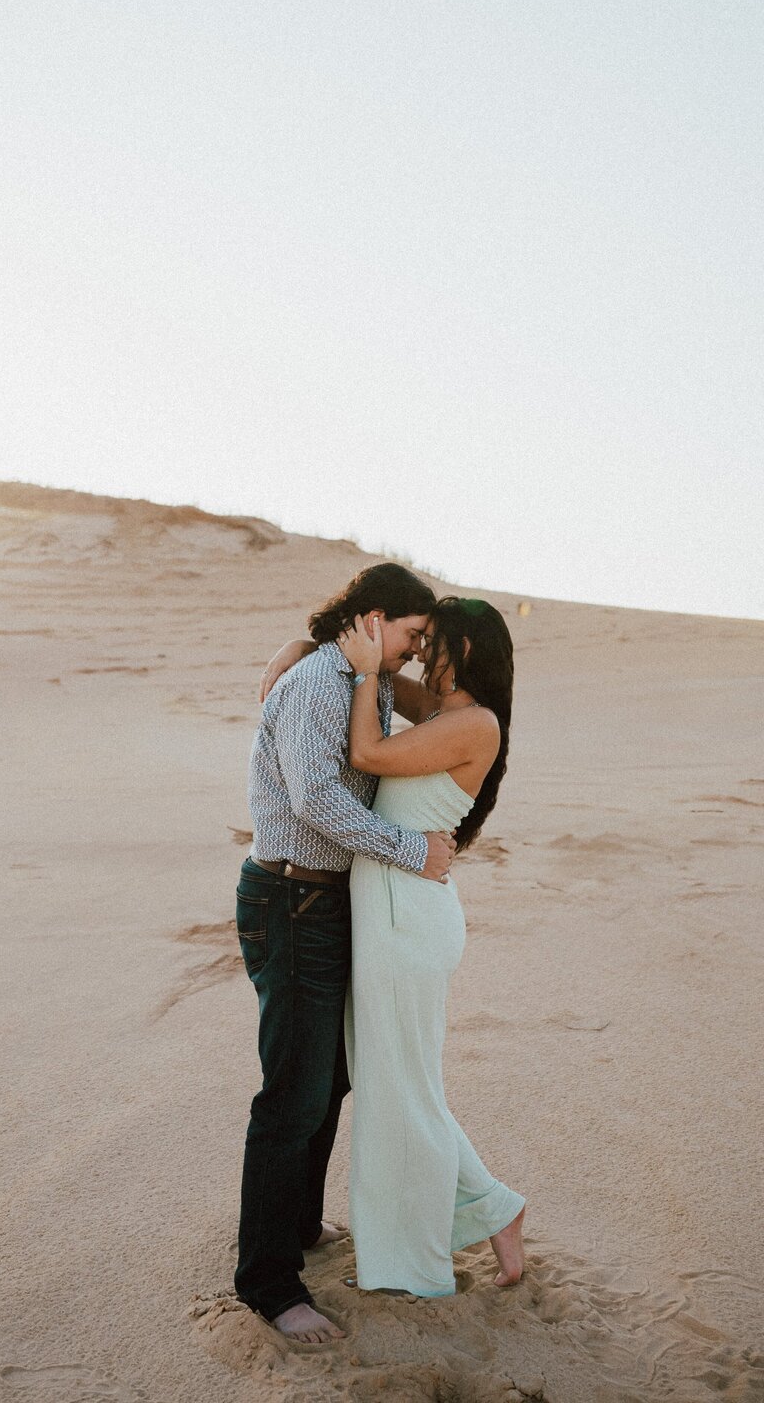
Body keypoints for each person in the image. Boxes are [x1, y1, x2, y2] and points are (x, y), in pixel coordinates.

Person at [267, 595, 526, 1303]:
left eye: (431, 640)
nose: (417, 651)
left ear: (463, 650)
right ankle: (494, 1209)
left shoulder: (473, 723)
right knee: (398, 1084)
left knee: (396, 1090)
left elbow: (366, 752)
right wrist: (317, 650)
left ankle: (407, 1265)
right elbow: (368, 670)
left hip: (405, 913)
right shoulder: (445, 712)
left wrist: (353, 677)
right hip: (391, 909)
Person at [235, 563, 456, 1346]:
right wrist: (411, 850)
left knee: (333, 1077)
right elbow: (315, 800)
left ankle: (296, 1224)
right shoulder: (317, 684)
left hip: (328, 903)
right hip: (289, 900)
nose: (415, 652)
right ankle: (265, 1280)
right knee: (292, 1093)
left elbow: (420, 728)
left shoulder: (362, 679)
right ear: (371, 618)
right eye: (412, 634)